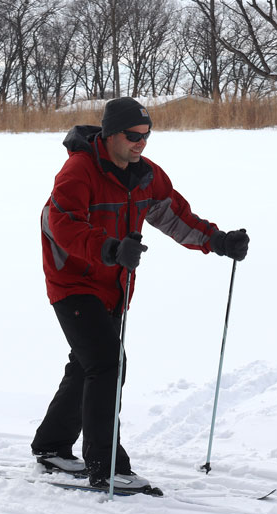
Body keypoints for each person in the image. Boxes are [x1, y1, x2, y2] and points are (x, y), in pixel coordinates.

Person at [30, 96, 250, 492]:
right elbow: (58, 223)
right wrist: (109, 248)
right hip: (72, 282)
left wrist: (217, 241)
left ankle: (51, 446)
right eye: (133, 135)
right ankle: (106, 467)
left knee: (88, 365)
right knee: (107, 364)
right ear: (111, 134)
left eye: (147, 135)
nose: (141, 143)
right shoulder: (79, 171)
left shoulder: (145, 176)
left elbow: (175, 217)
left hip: (113, 287)